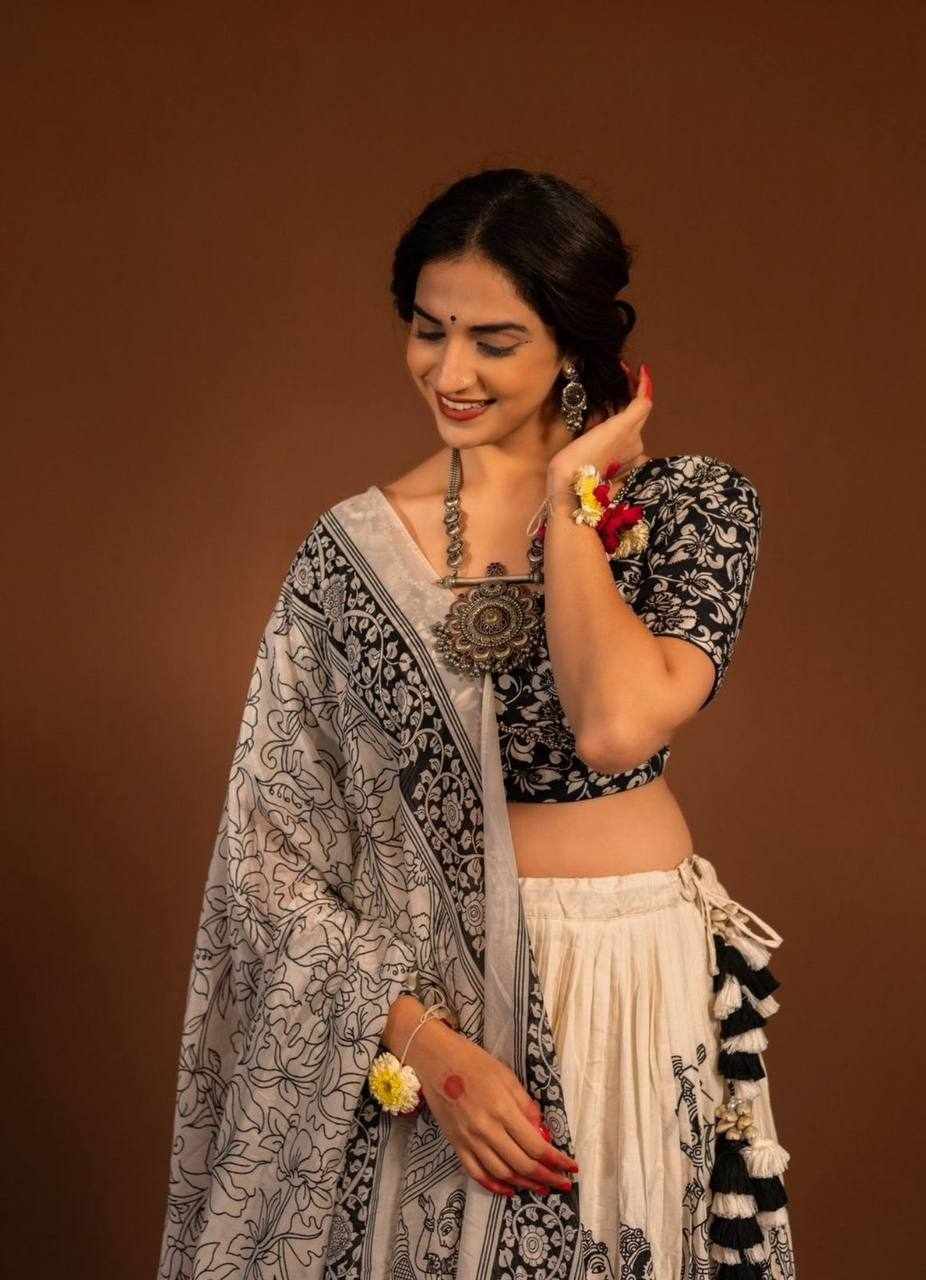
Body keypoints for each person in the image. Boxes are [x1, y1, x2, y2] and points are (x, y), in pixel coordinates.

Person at [156, 168, 796, 1280]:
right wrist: (428, 1048)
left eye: (493, 340)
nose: (449, 373)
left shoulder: (691, 508)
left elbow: (614, 727)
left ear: (572, 341)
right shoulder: (351, 558)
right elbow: (268, 859)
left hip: (627, 983)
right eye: (427, 330)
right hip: (435, 1001)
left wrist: (569, 502)